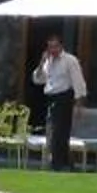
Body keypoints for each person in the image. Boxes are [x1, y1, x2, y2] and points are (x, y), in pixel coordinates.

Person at [36, 33, 87, 167]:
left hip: (64, 97)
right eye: (50, 47)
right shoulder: (48, 62)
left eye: (55, 46)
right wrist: (41, 63)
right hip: (51, 98)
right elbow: (38, 80)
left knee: (60, 132)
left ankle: (58, 162)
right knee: (52, 130)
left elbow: (78, 82)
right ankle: (63, 162)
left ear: (61, 46)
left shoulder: (70, 61)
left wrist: (78, 104)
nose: (53, 50)